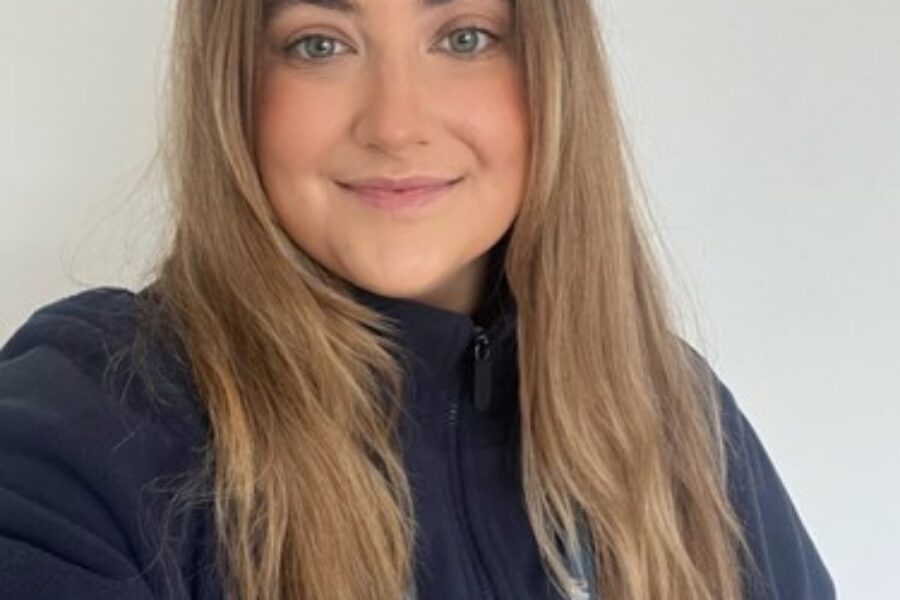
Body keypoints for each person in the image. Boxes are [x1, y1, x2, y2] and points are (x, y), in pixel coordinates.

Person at [0, 0, 835, 599]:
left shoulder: (675, 415)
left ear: (552, 73)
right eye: (320, 43)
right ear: (232, 85)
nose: (396, 125)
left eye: (464, 36)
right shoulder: (93, 407)